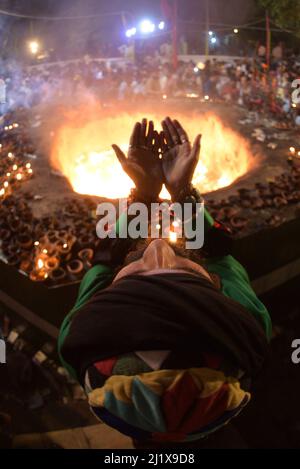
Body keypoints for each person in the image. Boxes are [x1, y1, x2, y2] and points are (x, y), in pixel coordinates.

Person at [58, 117, 271, 448]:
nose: (158, 249)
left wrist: (145, 194)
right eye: (182, 270)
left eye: (139, 271)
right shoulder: (242, 327)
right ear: (215, 285)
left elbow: (103, 262)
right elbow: (218, 253)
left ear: (109, 291)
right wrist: (180, 192)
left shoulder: (84, 341)